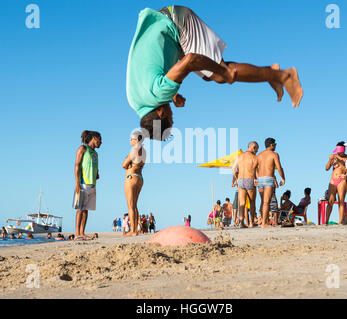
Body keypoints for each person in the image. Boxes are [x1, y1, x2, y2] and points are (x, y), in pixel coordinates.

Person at [127, 5, 303, 141]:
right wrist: (172, 95)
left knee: (220, 75)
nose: (173, 115)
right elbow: (151, 73)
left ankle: (284, 76)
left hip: (175, 22)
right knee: (208, 75)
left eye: (171, 120)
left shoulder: (158, 93)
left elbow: (190, 60)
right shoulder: (136, 102)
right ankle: (268, 73)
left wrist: (224, 72)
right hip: (160, 25)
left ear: (161, 114)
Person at [74, 130, 101, 240]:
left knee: (86, 210)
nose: (101, 142)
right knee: (80, 209)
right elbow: (77, 165)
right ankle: (77, 234)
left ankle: (82, 233)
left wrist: (97, 173)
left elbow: (94, 167)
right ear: (94, 138)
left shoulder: (95, 153)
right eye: (100, 140)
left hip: (92, 185)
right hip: (82, 183)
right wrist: (77, 183)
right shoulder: (83, 149)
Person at [257, 138, 286, 228]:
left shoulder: (259, 155)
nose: (276, 146)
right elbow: (279, 167)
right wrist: (283, 178)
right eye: (275, 144)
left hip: (260, 179)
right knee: (266, 202)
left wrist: (257, 177)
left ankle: (264, 221)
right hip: (268, 179)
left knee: (263, 202)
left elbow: (254, 167)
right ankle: (264, 223)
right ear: (271, 145)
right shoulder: (274, 154)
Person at [123, 130, 146, 237]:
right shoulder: (144, 151)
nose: (130, 141)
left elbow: (124, 164)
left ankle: (133, 231)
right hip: (139, 177)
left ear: (137, 139)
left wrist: (128, 164)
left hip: (131, 176)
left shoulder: (134, 149)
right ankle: (135, 229)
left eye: (131, 139)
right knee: (135, 205)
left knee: (130, 206)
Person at [233, 141, 260, 228]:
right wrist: (258, 180)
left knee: (242, 202)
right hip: (250, 179)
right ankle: (251, 222)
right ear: (254, 148)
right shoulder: (254, 157)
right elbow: (256, 171)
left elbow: (234, 169)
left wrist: (237, 179)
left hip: (240, 180)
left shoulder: (239, 156)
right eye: (257, 149)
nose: (257, 152)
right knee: (252, 202)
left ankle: (242, 223)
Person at [324, 142, 347, 225]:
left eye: (339, 151)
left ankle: (341, 221)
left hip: (342, 180)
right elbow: (327, 168)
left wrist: (339, 161)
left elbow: (346, 170)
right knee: (330, 201)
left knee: (341, 201)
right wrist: (330, 160)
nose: (337, 153)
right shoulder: (334, 157)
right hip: (333, 179)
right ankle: (326, 222)